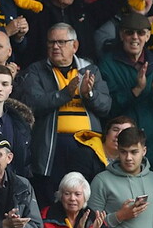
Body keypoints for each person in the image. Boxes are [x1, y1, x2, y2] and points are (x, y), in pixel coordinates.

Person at [18, 23, 112, 206]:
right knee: (53, 199)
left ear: (74, 46)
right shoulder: (37, 70)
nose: (55, 47)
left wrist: (89, 94)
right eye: (51, 42)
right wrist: (64, 95)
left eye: (61, 42)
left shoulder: (90, 69)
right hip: (52, 145)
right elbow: (32, 104)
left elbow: (106, 106)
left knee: (82, 199)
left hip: (86, 144)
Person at [99, 13, 153, 169]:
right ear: (121, 35)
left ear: (148, 36)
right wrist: (136, 90)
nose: (135, 37)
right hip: (122, 148)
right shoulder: (107, 64)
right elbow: (106, 108)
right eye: (129, 32)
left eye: (141, 33)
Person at [20, 0, 139, 64]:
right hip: (48, 75)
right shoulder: (37, 13)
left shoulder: (81, 9)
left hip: (84, 73)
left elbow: (110, 3)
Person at [94, 0, 153, 66]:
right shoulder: (112, 16)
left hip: (152, 72)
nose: (142, 1)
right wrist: (139, 26)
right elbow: (103, 53)